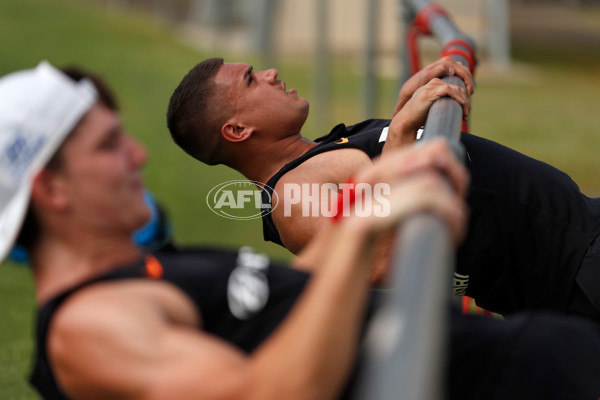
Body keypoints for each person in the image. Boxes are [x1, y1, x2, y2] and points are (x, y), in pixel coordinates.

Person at [3, 62, 600, 400]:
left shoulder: (135, 281)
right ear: (50, 190)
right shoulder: (83, 325)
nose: (136, 155)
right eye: (109, 146)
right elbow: (266, 392)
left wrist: (386, 161)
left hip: (522, 351)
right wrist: (377, 190)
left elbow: (309, 295)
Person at [167, 57, 600, 322]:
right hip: (571, 273)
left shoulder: (316, 152)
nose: (270, 72)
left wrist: (404, 110)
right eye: (250, 80)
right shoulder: (291, 196)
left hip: (579, 232)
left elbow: (380, 198)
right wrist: (399, 136)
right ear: (238, 129)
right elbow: (381, 262)